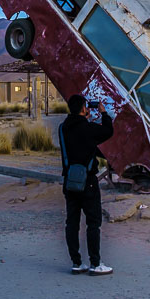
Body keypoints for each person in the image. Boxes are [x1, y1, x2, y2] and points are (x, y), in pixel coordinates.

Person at [58, 94, 114, 276]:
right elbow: (107, 131)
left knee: (72, 223)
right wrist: (104, 113)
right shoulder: (87, 128)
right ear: (84, 108)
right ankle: (95, 264)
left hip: (69, 181)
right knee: (93, 223)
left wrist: (85, 120)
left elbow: (76, 137)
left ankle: (76, 263)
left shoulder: (63, 128)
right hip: (88, 182)